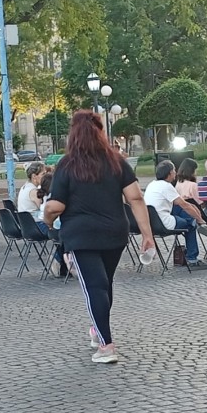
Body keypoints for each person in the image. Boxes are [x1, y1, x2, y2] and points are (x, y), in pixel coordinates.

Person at [44, 110, 155, 364]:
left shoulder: (67, 165)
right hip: (114, 233)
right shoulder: (117, 161)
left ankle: (106, 346)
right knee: (104, 285)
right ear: (101, 132)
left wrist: (47, 220)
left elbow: (55, 206)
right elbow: (136, 198)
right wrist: (147, 234)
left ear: (72, 134)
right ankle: (97, 330)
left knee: (95, 287)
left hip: (81, 235)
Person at [144, 160, 207, 270]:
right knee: (191, 223)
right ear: (169, 173)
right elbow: (185, 205)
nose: (175, 173)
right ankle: (192, 258)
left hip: (151, 223)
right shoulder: (166, 186)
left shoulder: (151, 185)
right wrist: (200, 219)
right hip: (164, 223)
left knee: (181, 209)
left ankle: (197, 223)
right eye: (174, 171)